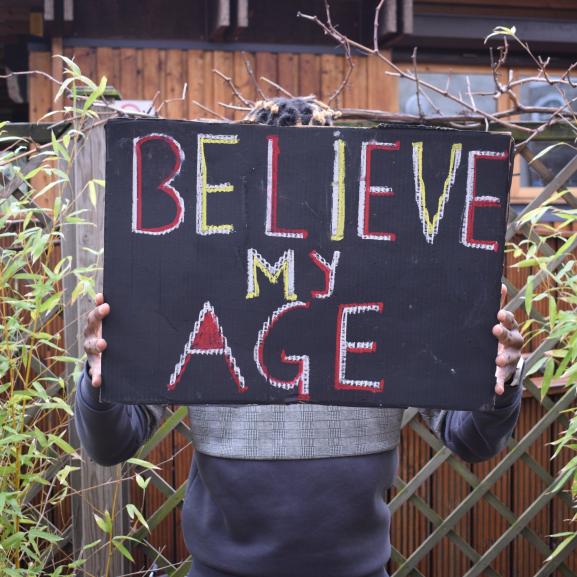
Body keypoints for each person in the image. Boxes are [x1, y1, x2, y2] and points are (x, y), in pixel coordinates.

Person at [76, 98, 525, 577]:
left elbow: (471, 439)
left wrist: (495, 383)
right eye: (276, 179)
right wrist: (102, 385)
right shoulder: (202, 284)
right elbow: (112, 445)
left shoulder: (386, 285)